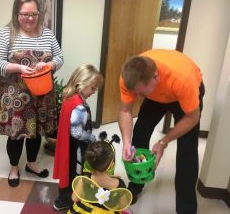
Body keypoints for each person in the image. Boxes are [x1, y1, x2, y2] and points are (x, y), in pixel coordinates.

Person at [0, 0, 63, 187]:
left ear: (39, 13)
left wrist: (49, 66)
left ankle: (31, 164)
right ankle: (14, 167)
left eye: (34, 14)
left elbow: (59, 58)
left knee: (36, 131)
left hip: (42, 94)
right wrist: (18, 68)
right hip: (15, 96)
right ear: (16, 13)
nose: (30, 18)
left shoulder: (47, 34)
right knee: (16, 133)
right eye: (25, 14)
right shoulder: (5, 33)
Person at [119, 49, 205, 214]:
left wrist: (163, 142)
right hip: (155, 94)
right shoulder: (128, 77)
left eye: (141, 93)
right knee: (139, 134)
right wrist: (126, 141)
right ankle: (136, 185)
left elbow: (192, 118)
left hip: (182, 94)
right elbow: (125, 111)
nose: (137, 97)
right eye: (135, 93)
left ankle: (186, 209)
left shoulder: (182, 80)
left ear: (156, 77)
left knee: (187, 152)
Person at [53, 64, 104, 211]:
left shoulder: (69, 97)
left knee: (66, 171)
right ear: (81, 84)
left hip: (65, 144)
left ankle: (61, 199)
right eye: (92, 88)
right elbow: (77, 133)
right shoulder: (79, 107)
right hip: (75, 148)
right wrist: (91, 137)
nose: (94, 92)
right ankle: (68, 201)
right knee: (74, 172)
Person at [67, 141, 132, 214]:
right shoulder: (119, 184)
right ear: (111, 165)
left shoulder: (85, 178)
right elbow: (122, 206)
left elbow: (74, 198)